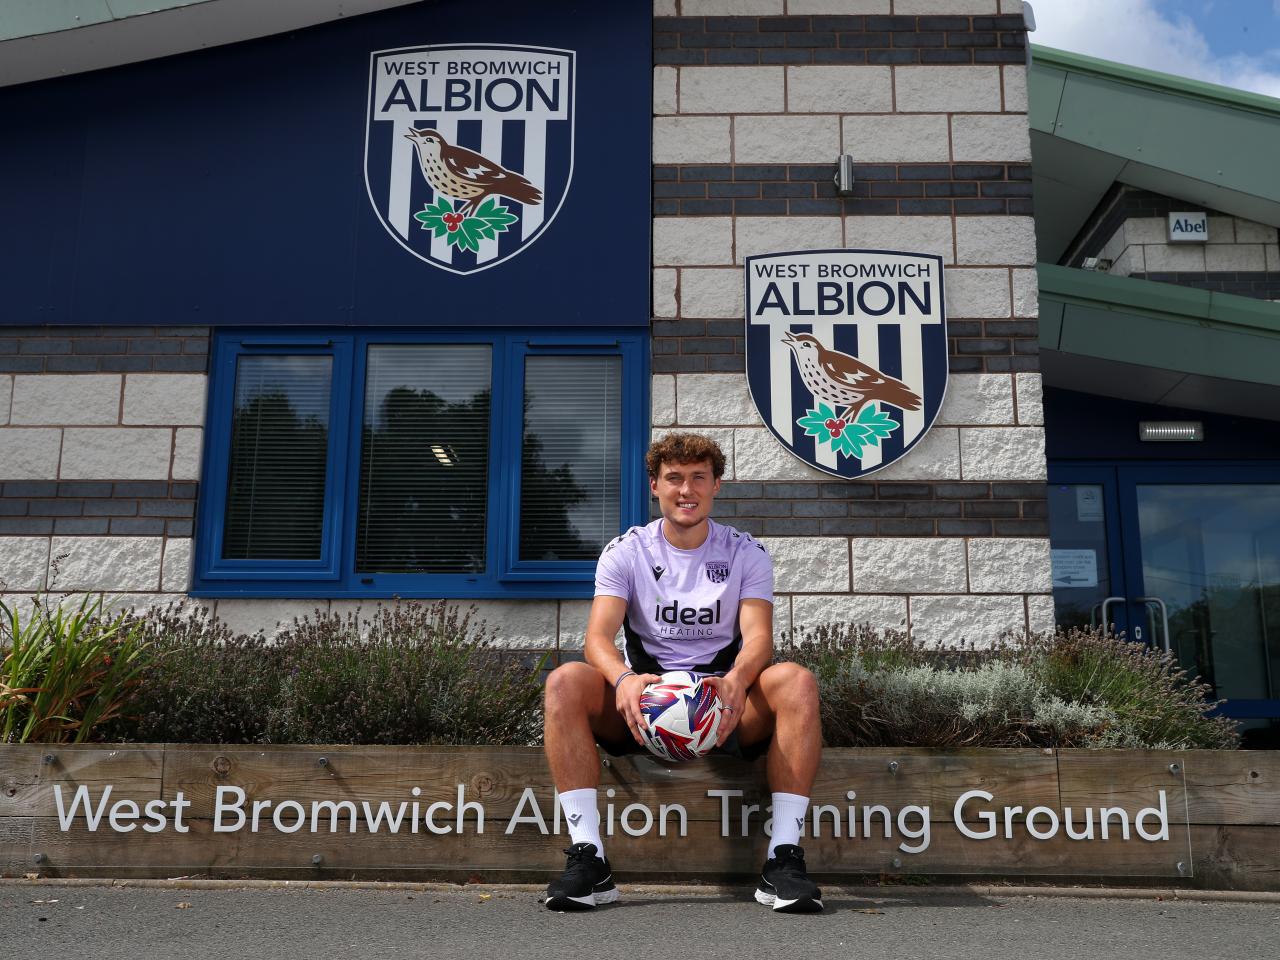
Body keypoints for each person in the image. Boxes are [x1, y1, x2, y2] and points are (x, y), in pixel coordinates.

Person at [542, 432, 824, 913]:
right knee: (564, 681)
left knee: (796, 680)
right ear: (655, 485)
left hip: (724, 704)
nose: (686, 489)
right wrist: (626, 680)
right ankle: (589, 860)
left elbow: (758, 638)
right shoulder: (625, 552)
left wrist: (736, 680)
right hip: (645, 705)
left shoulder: (745, 552)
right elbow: (596, 639)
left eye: (698, 477)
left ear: (717, 485)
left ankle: (782, 861)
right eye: (674, 478)